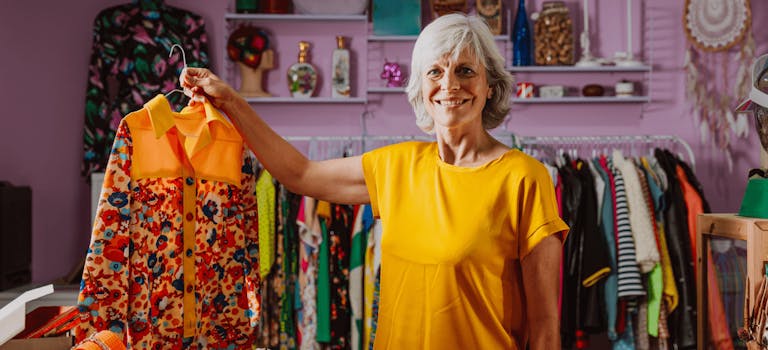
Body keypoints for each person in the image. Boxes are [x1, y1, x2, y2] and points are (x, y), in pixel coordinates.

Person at [181, 13, 568, 350]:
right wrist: (230, 100)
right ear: (422, 87)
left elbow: (546, 330)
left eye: (465, 70)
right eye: (435, 71)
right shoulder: (396, 165)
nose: (449, 84)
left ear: (490, 85)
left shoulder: (523, 178)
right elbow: (299, 174)